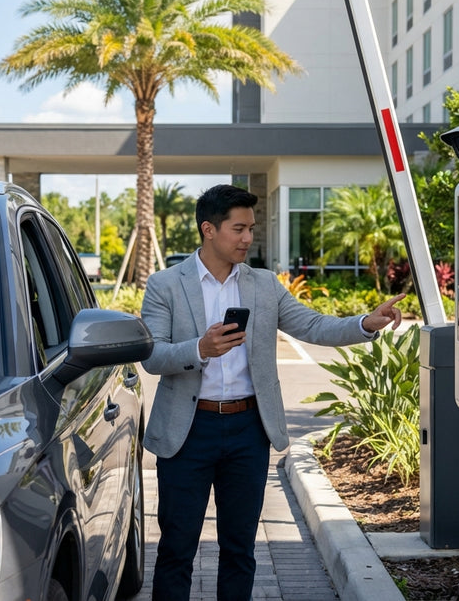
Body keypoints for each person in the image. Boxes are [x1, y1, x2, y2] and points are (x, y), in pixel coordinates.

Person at [140, 184, 405, 600]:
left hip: (248, 430)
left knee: (241, 549)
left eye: (251, 228)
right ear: (208, 229)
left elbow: (314, 325)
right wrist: (200, 349)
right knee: (176, 549)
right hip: (186, 433)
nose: (248, 238)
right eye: (238, 229)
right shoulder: (166, 285)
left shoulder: (264, 285)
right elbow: (152, 355)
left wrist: (365, 324)